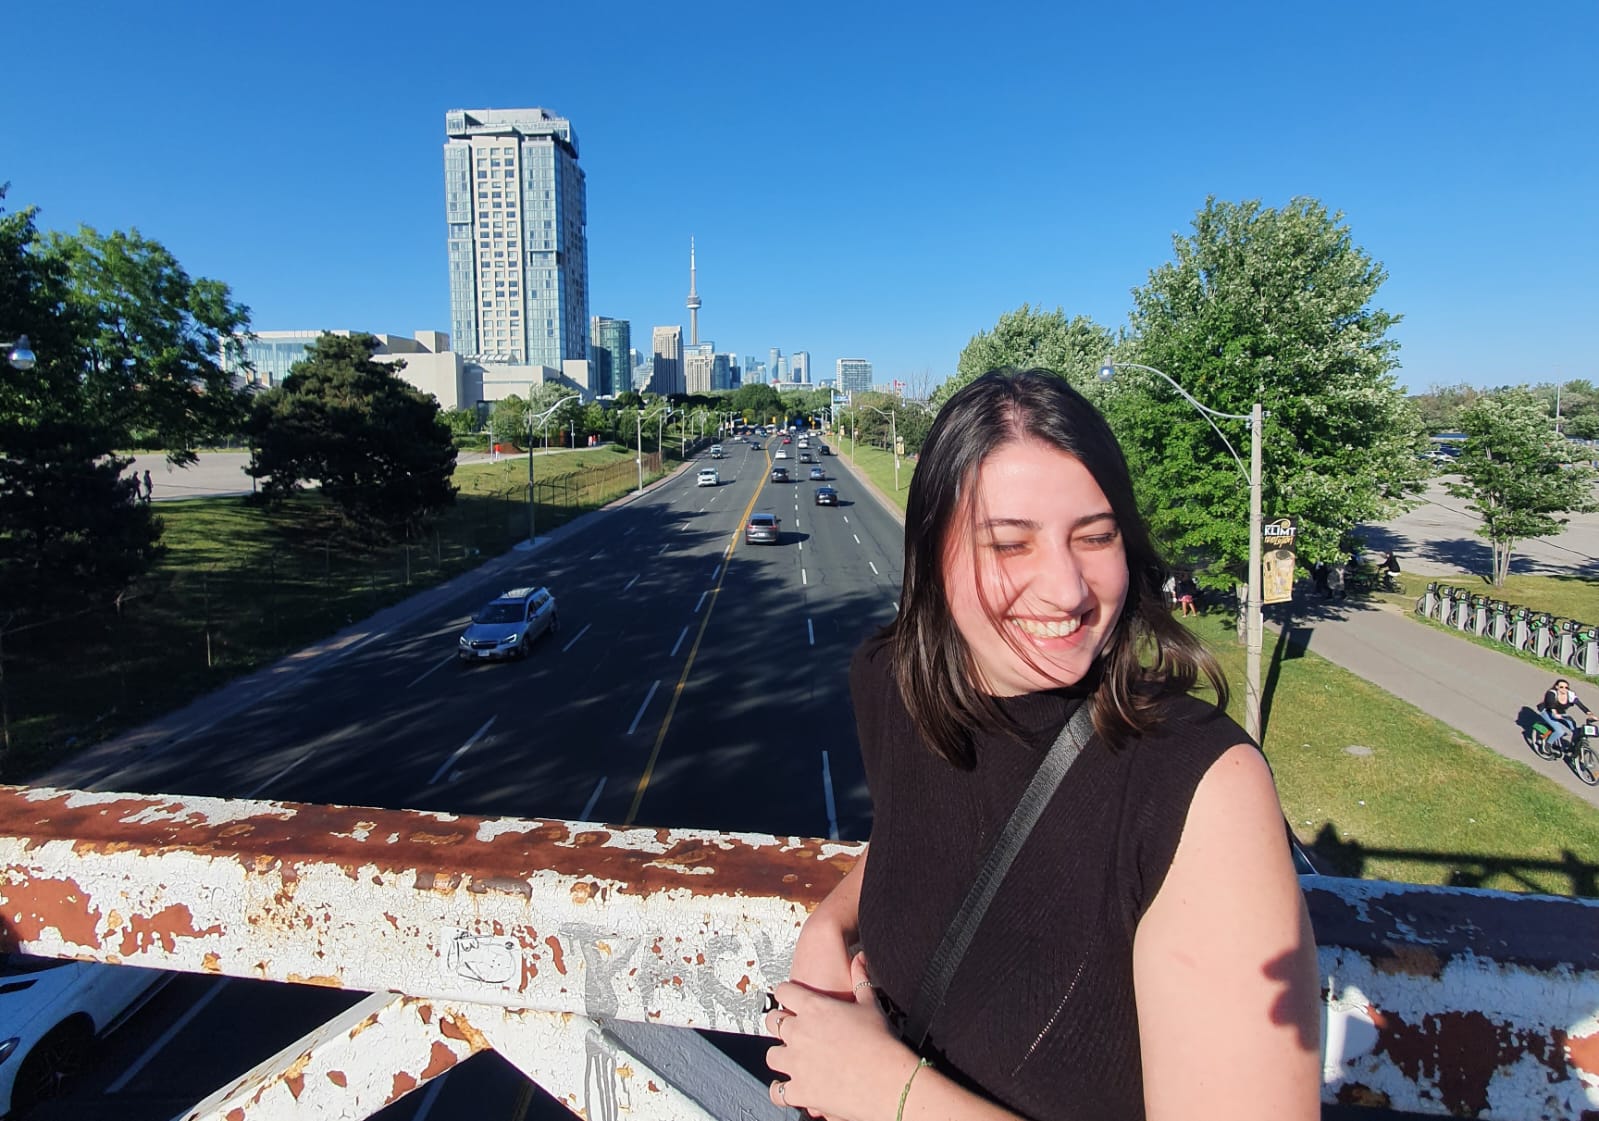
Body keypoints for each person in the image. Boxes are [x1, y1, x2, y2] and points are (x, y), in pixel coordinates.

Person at [764, 370, 1319, 1121]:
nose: (1066, 588)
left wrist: (888, 1093)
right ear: (932, 554)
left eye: (1094, 536)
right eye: (1009, 543)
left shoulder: (1199, 787)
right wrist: (829, 920)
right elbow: (922, 835)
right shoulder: (892, 682)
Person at [1540, 678, 1592, 752]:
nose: (1564, 689)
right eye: (1561, 687)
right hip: (1548, 713)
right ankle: (1547, 744)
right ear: (1557, 687)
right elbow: (1551, 704)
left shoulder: (1570, 695)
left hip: (1562, 714)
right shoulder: (1551, 693)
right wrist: (1555, 713)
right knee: (1559, 731)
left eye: (1566, 687)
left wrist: (1589, 713)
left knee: (1576, 730)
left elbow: (1579, 704)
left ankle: (1573, 747)